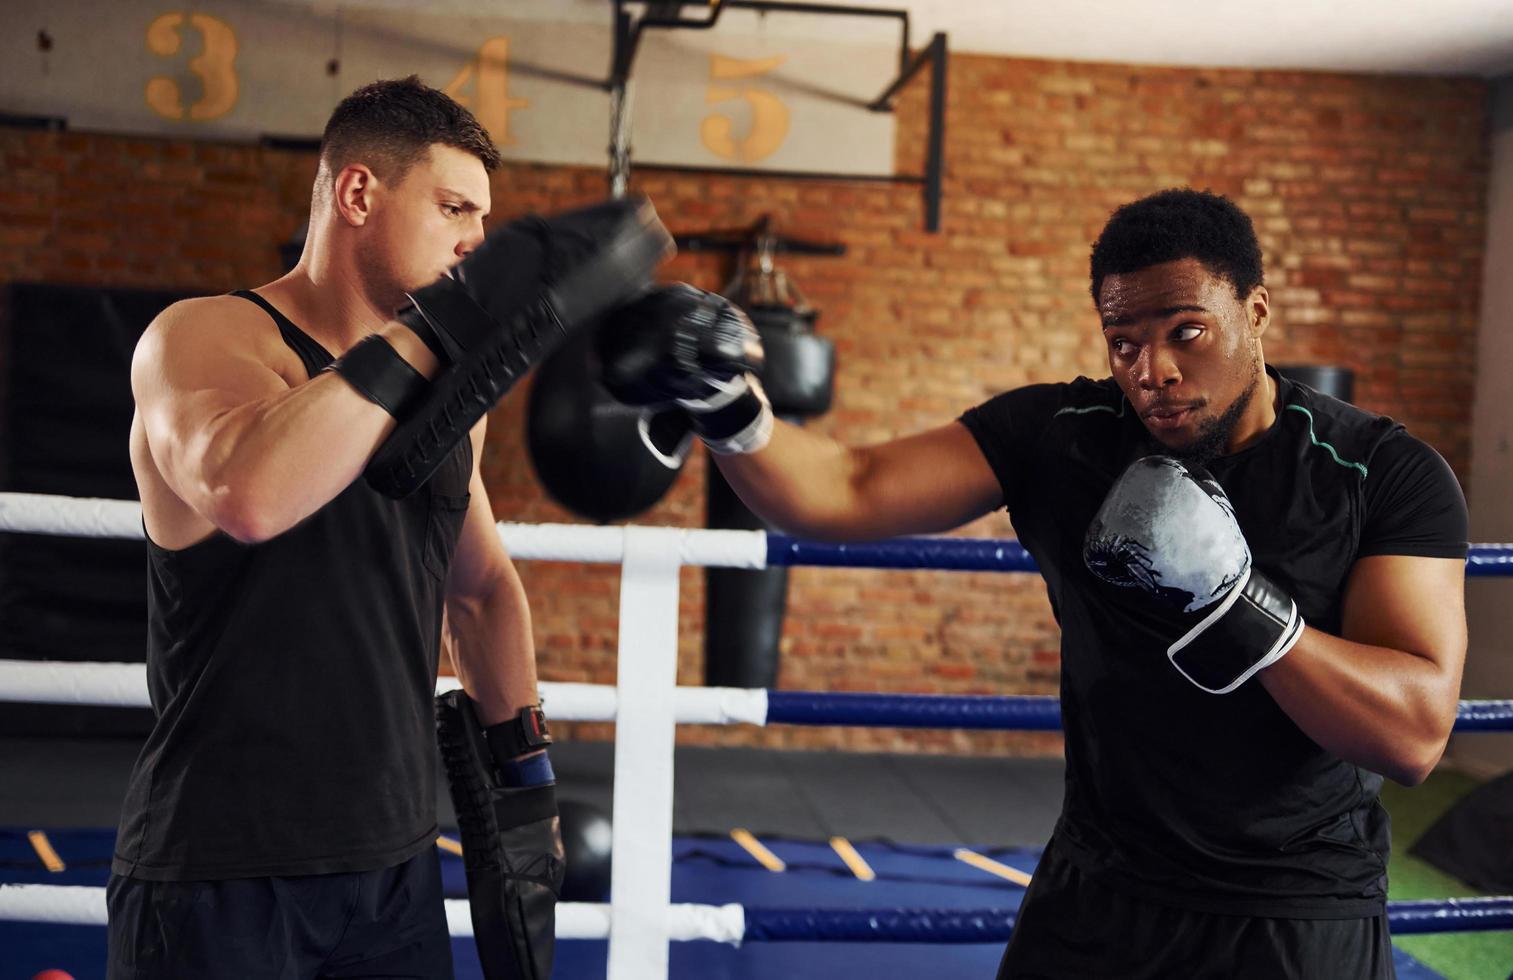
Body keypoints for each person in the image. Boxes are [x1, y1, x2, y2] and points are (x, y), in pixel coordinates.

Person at [596, 188, 1469, 979]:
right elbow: (846, 485)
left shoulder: (1377, 473)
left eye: (1185, 332)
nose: (1151, 370)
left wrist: (1237, 605)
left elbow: (1414, 733)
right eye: (1123, 342)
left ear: (1256, 311)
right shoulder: (1065, 436)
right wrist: (727, 407)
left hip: (1292, 918)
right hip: (1094, 901)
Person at [108, 76, 670, 978]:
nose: (472, 243)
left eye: (483, 225)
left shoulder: (451, 399)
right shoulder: (205, 337)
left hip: (394, 870)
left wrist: (525, 798)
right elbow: (248, 492)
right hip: (219, 871)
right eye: (452, 207)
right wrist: (442, 329)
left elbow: (481, 593)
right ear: (359, 193)